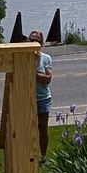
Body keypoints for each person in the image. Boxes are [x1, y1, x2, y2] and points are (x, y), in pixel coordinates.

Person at [36, 25, 54, 157]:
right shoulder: (23, 58)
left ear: (41, 43)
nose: (33, 43)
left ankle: (43, 155)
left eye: (36, 41)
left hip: (43, 98)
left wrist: (32, 74)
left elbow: (48, 78)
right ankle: (30, 153)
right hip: (28, 98)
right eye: (31, 40)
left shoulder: (46, 58)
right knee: (28, 127)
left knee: (42, 127)